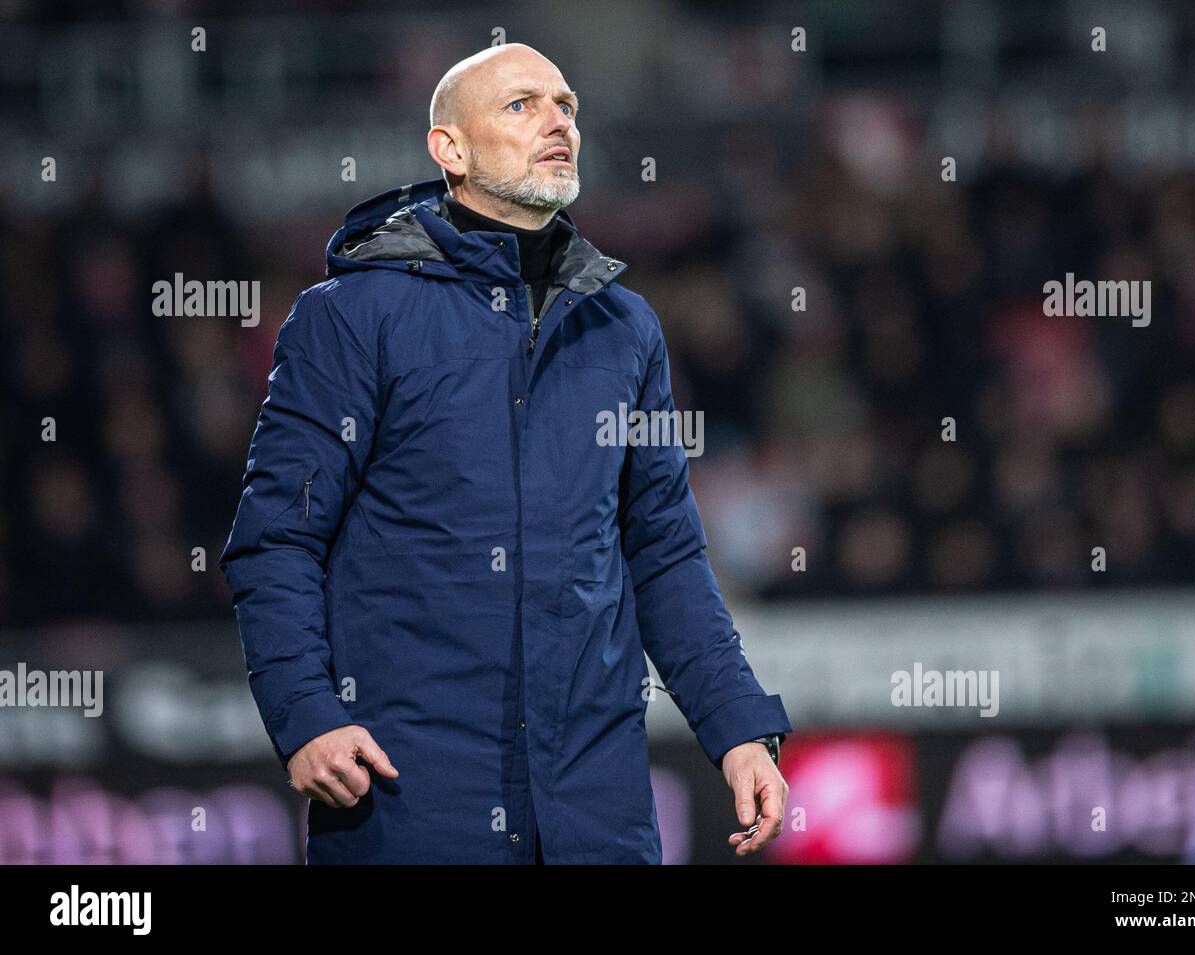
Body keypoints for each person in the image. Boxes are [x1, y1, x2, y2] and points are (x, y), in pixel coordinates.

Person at [219, 42, 791, 864]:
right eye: (521, 105)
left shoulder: (626, 329)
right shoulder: (351, 317)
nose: (558, 121)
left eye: (566, 106)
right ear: (449, 149)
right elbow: (277, 539)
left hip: (597, 806)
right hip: (409, 796)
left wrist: (737, 726)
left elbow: (663, 551)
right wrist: (305, 712)